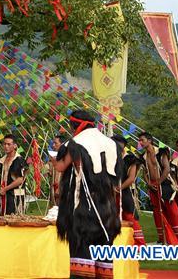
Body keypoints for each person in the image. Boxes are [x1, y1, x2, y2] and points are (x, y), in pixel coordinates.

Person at [55, 110, 122, 279]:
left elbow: (61, 166)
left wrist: (53, 159)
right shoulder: (110, 143)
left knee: (82, 248)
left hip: (84, 207)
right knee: (103, 250)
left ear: (76, 125)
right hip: (107, 206)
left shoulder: (76, 143)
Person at [138, 133, 178, 244]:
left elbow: (167, 169)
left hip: (164, 184)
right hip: (152, 185)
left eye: (142, 140)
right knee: (157, 212)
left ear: (149, 140)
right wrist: (148, 183)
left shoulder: (161, 152)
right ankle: (163, 237)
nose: (140, 142)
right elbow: (145, 172)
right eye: (139, 140)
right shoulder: (143, 157)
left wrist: (159, 182)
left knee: (172, 210)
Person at [112, 135, 145, 246]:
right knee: (113, 218)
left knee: (130, 216)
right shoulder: (110, 158)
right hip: (111, 193)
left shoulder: (130, 159)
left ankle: (140, 245)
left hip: (124, 192)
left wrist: (120, 188)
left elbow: (131, 178)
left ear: (123, 145)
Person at [0, 134, 26, 215]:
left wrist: (5, 189)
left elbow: (20, 180)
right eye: (4, 144)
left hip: (14, 195)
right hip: (4, 194)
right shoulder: (3, 159)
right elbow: (9, 176)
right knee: (2, 215)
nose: (6, 146)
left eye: (9, 144)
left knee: (13, 217)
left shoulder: (18, 160)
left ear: (15, 146)